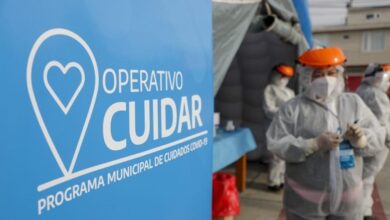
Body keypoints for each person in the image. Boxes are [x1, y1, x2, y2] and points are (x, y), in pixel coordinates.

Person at [266, 47, 385, 219]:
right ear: (307, 76)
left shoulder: (354, 102)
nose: (326, 79)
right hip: (305, 199)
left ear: (339, 74)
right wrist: (313, 144)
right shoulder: (293, 108)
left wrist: (361, 139)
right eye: (319, 74)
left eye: (331, 73)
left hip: (348, 198)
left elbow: (379, 135)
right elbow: (276, 143)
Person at [356, 63, 390, 220]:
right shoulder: (376, 94)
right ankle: (362, 213)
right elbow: (383, 122)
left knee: (363, 177)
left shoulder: (361, 91)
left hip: (365, 140)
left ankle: (364, 211)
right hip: (377, 142)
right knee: (366, 179)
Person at [263, 64, 295, 191]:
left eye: (286, 77)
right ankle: (272, 182)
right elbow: (268, 109)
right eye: (281, 76)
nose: (283, 79)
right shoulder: (270, 89)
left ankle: (281, 180)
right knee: (276, 156)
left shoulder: (290, 92)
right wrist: (285, 112)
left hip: (288, 127)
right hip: (274, 126)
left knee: (285, 156)